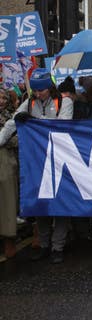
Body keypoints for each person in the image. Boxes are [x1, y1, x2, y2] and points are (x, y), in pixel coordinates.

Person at [0, 69, 74, 264]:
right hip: (38, 161)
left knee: (60, 204)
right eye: (35, 90)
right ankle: (43, 244)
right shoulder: (30, 102)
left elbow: (62, 126)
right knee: (41, 202)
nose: (38, 93)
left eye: (42, 90)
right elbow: (11, 123)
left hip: (60, 161)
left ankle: (58, 247)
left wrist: (34, 122)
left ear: (50, 88)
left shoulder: (64, 102)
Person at [0, 89, 18, 258]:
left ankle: (9, 240)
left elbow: (19, 138)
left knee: (7, 200)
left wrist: (6, 140)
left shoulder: (13, 116)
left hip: (6, 160)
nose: (1, 100)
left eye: (4, 97)